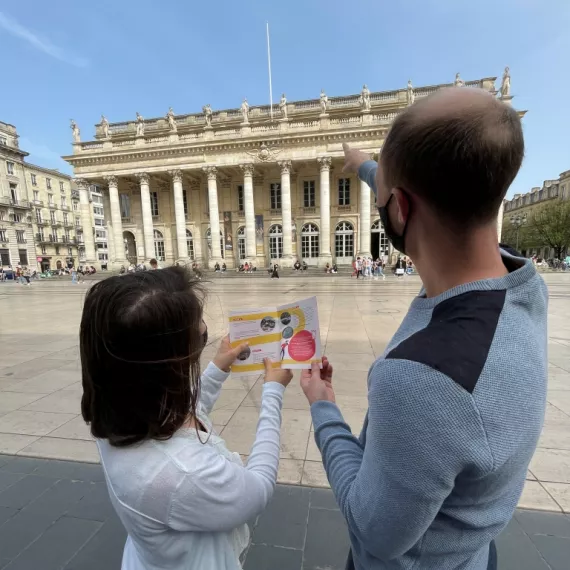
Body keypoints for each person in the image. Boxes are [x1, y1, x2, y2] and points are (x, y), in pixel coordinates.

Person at [301, 88, 547, 570]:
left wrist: (324, 409)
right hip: (472, 553)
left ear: (400, 209)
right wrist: (365, 165)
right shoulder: (522, 285)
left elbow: (375, 534)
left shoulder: (421, 379)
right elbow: (409, 188)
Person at [80, 266, 293, 570]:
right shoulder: (185, 473)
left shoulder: (118, 410)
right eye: (199, 334)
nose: (205, 330)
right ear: (167, 364)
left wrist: (218, 369)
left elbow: (179, 410)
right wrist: (273, 392)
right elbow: (257, 488)